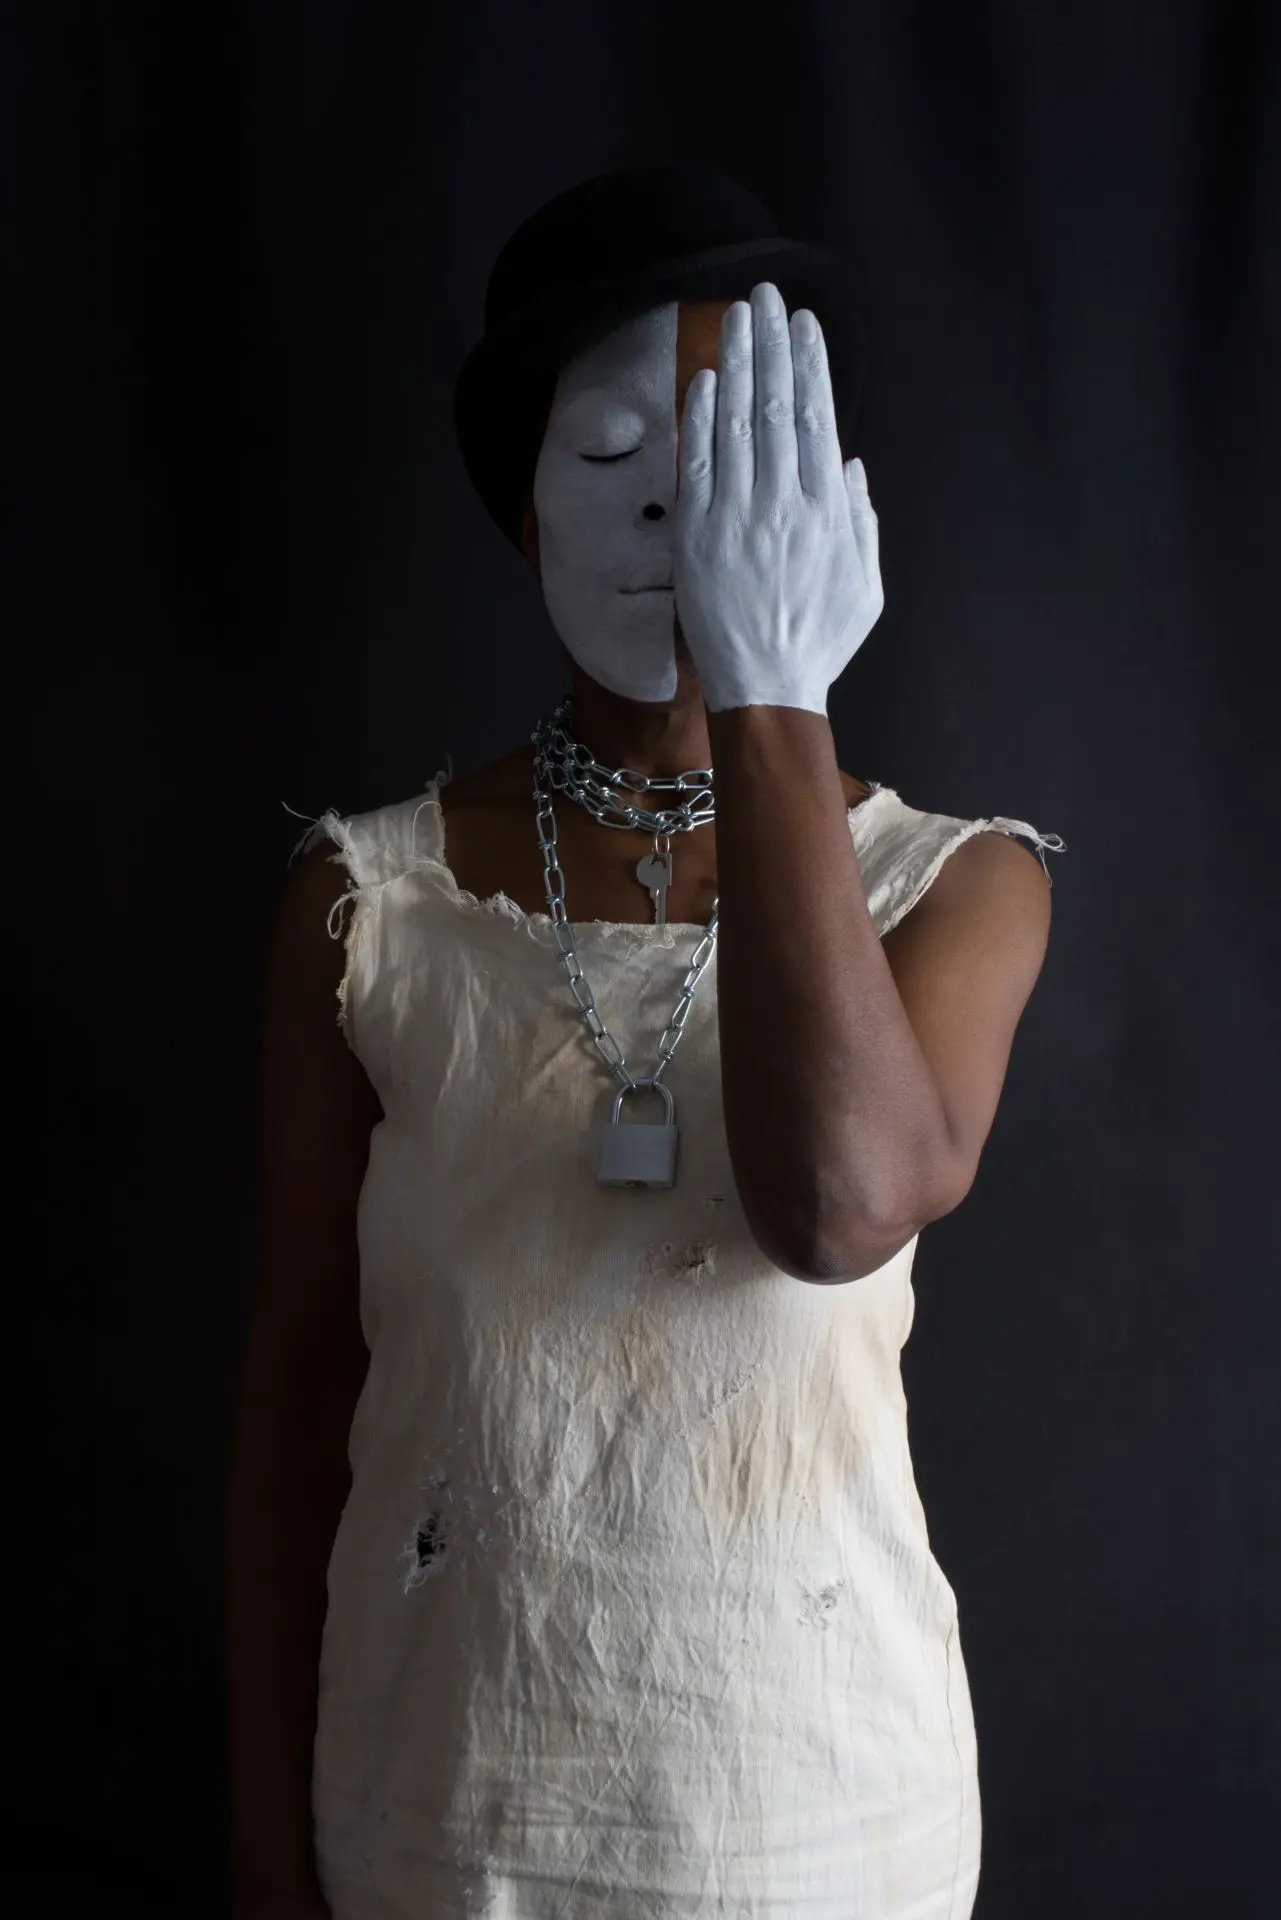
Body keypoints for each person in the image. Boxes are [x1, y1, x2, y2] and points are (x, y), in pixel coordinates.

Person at [224, 165, 1065, 1920]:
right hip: (442, 1818)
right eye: (611, 457)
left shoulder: (954, 888)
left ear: (831, 505)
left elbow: (840, 1201)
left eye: (745, 463)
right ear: (527, 517)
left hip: (818, 1826)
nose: (682, 511)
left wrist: (772, 689)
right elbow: (301, 1399)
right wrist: (265, 1854)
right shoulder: (367, 905)